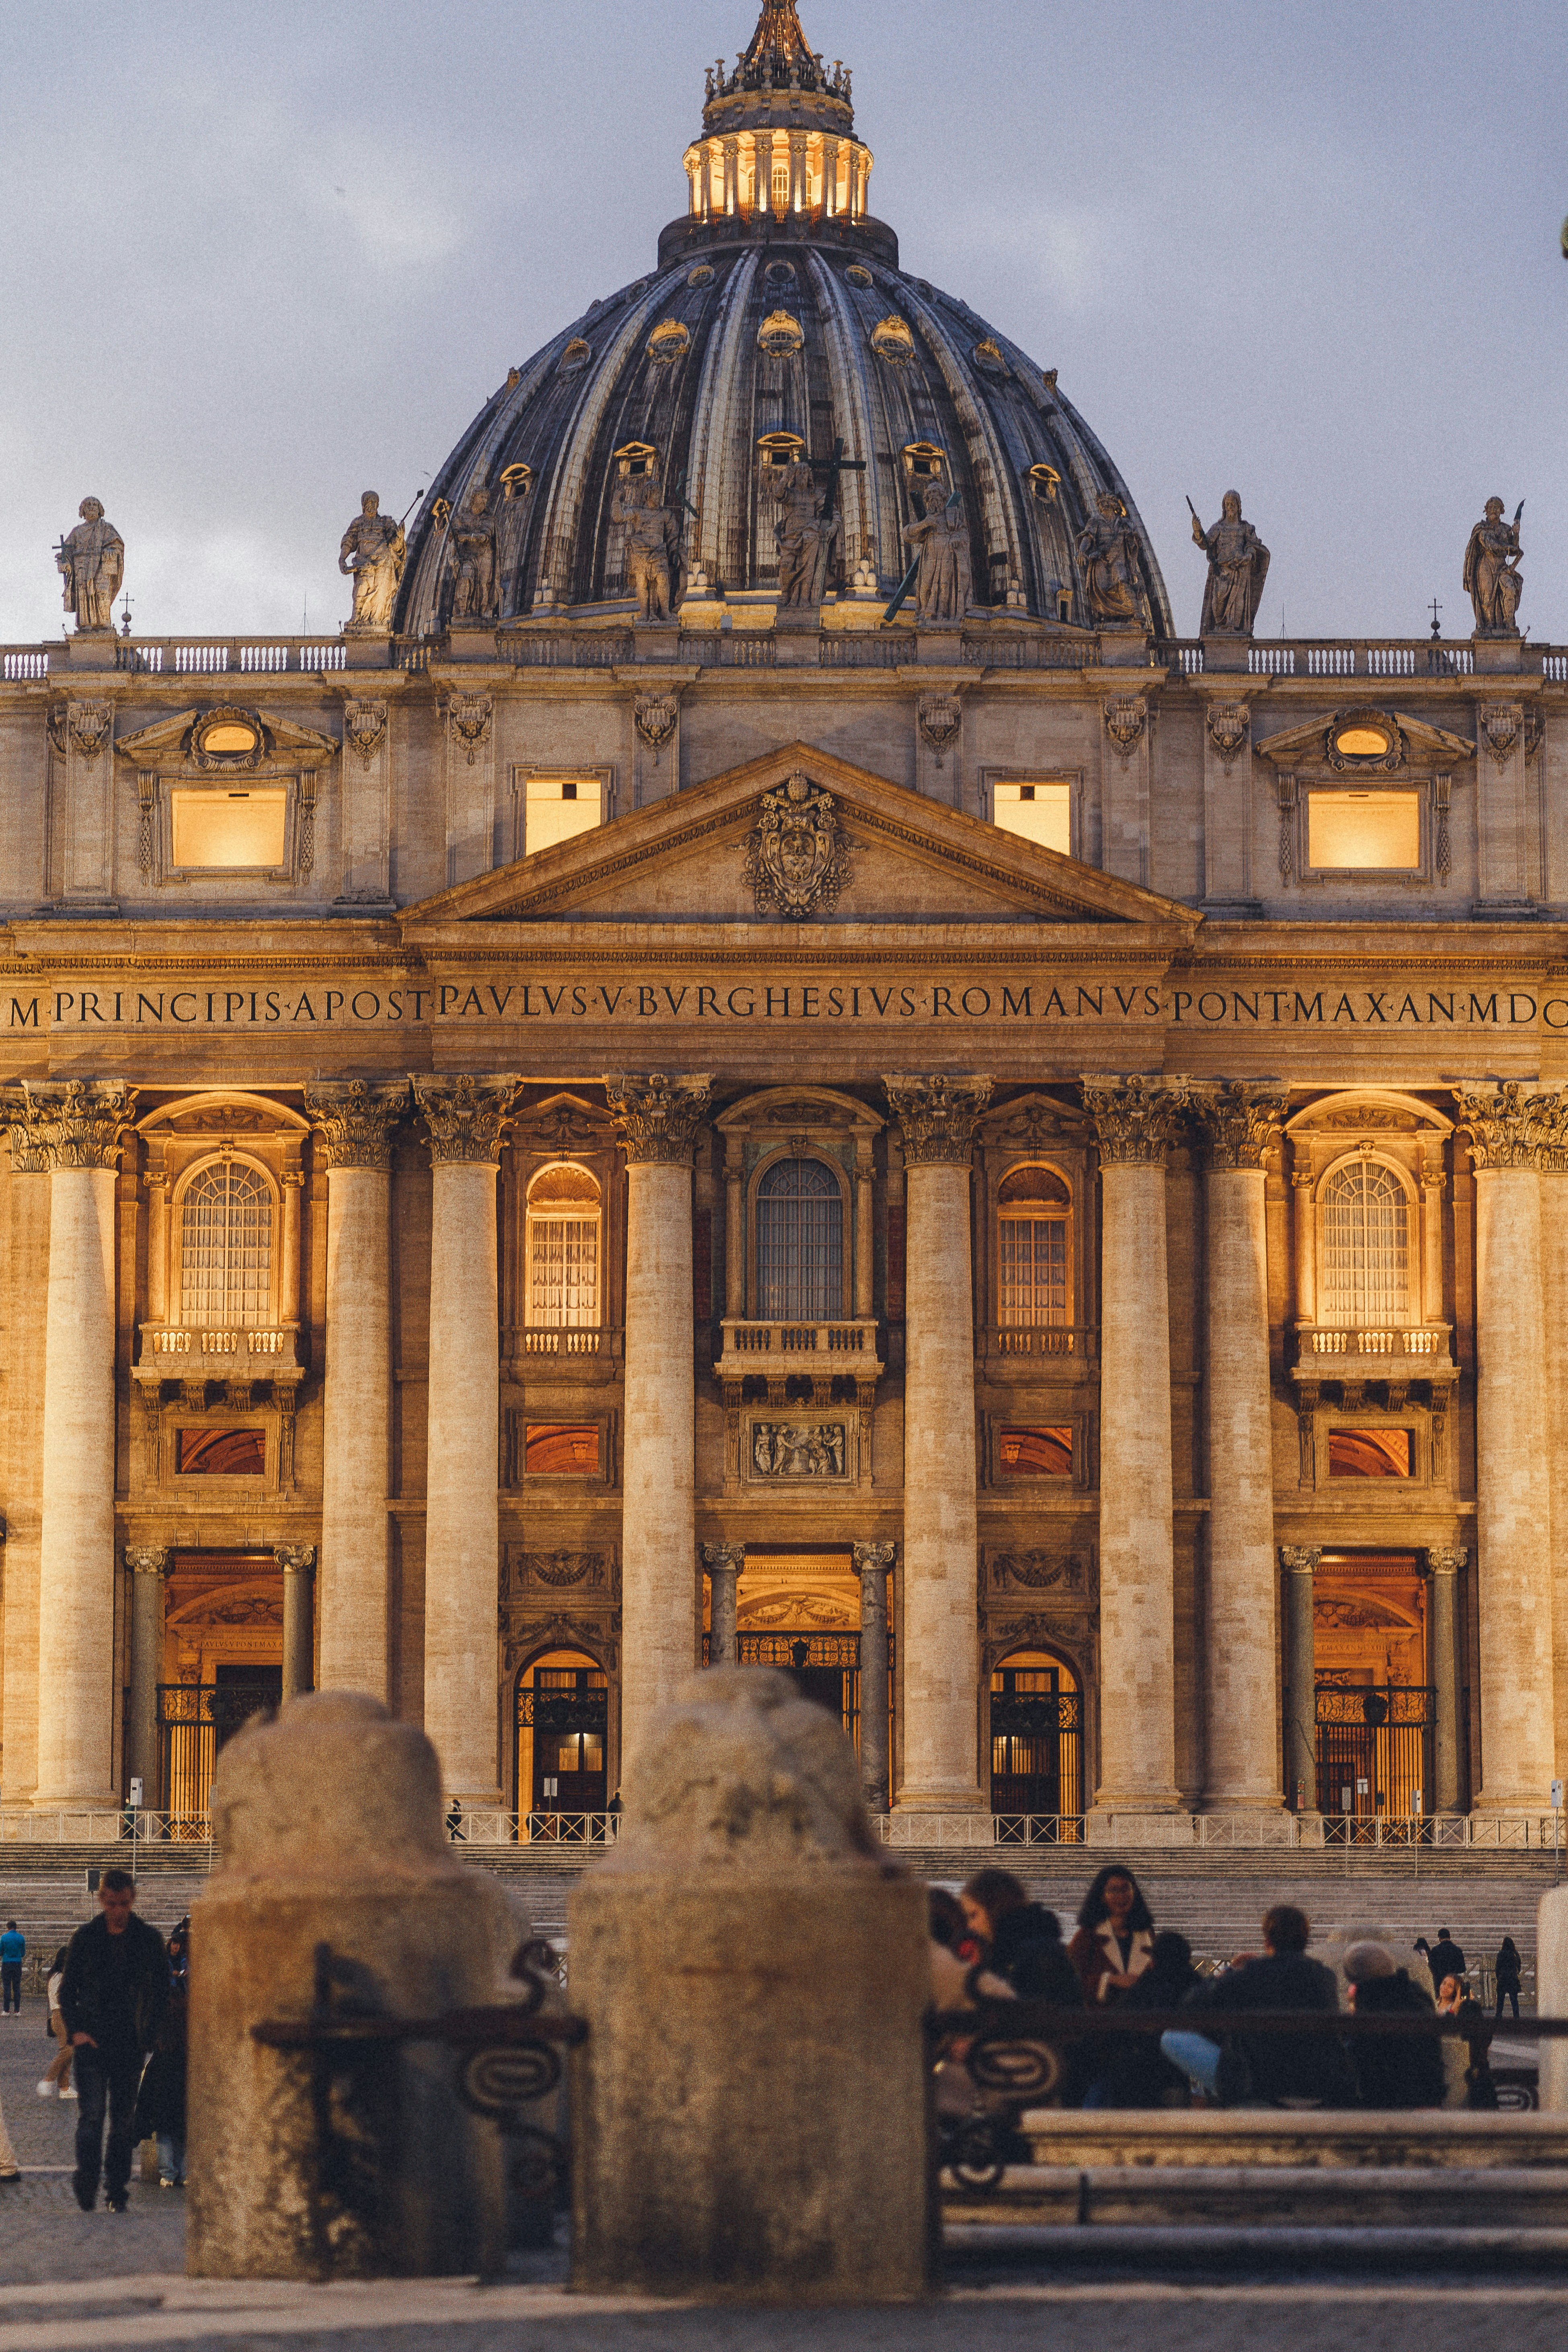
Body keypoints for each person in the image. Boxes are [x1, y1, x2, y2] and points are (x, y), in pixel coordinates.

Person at [1161, 1904, 1356, 2108]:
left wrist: (1230, 1971)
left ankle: (1239, 2099)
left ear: (1267, 1940)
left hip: (1260, 2087)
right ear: (1305, 1940)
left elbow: (1191, 2003)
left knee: (1172, 2037)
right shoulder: (1325, 1976)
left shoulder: (1252, 1973)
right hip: (1316, 2085)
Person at [59, 1868, 168, 2213]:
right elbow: (67, 1990)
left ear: (133, 1899)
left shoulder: (148, 1939)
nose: (118, 1910)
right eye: (111, 1903)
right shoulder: (86, 1937)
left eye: (123, 1903)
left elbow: (163, 1992)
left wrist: (150, 2034)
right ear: (102, 1899)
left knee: (123, 2123)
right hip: (91, 2043)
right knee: (91, 2119)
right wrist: (76, 2031)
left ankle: (117, 2190)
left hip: (130, 2044)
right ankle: (87, 2178)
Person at [1094, 1930, 1203, 2109]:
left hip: (1140, 2073)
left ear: (1155, 1958)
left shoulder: (1145, 1986)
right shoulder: (1195, 1985)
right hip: (1178, 2072)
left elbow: (1115, 2025)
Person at [1343, 1940, 1445, 2110]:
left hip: (1388, 2100)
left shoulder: (1372, 2003)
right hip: (1428, 2095)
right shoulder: (1416, 1995)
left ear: (1357, 1982)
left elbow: (1360, 2057)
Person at [960, 1869, 1083, 2006]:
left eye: (974, 1915)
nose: (970, 1926)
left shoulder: (1032, 1953)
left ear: (995, 1909)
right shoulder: (1009, 1950)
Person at [134, 1918, 189, 2188]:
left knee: (166, 2125)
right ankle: (184, 2173)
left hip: (164, 2067)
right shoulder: (188, 2012)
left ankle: (168, 2174)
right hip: (185, 2067)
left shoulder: (160, 2013)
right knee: (184, 2125)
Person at [1067, 1865, 1155, 2004]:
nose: (1120, 1896)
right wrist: (1110, 1980)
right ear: (1102, 1896)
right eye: (1113, 1890)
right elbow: (1072, 1982)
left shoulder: (1148, 1935)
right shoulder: (1087, 1937)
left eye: (1125, 1889)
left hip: (1142, 2018)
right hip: (1101, 2019)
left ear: (1134, 1893)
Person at [37, 1946, 75, 2100]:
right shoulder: (61, 1977)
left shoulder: (55, 1975)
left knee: (68, 2051)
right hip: (61, 2015)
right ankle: (48, 2080)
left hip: (60, 2015)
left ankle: (64, 2087)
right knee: (68, 2050)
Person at [1425, 1927, 1466, 1992]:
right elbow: (1463, 1969)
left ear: (1439, 1938)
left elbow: (1431, 1966)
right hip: (1453, 1982)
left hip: (1440, 1982)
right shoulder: (1457, 1951)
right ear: (1450, 1937)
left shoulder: (1435, 1951)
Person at [1494, 1937, 1523, 2023]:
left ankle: (1498, 2016)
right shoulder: (1515, 1954)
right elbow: (1519, 1967)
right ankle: (1516, 2016)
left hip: (1503, 1978)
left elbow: (1497, 1967)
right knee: (1514, 2000)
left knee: (1500, 2000)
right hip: (1512, 1979)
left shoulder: (1501, 1954)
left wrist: (1498, 1977)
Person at [0, 1920, 23, 2014]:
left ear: (8, 1928)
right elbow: (23, 1952)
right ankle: (17, 2010)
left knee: (7, 1987)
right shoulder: (21, 1938)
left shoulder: (4, 1937)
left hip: (7, 1963)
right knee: (17, 1987)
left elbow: (1, 1951)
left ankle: (6, 2010)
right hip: (17, 1963)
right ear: (16, 1927)